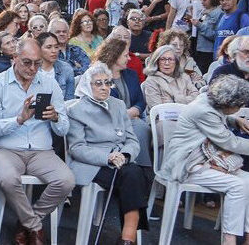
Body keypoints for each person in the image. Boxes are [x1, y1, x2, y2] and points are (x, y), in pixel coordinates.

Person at [0, 38, 74, 245]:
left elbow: (64, 129)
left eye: (37, 63)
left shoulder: (49, 83)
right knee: (7, 178)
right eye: (27, 62)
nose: (33, 68)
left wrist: (56, 118)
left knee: (67, 180)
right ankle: (35, 227)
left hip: (41, 150)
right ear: (14, 58)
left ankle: (27, 222)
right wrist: (19, 119)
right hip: (5, 149)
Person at [159, 75, 249, 245]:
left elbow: (219, 116)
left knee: (248, 180)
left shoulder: (209, 99)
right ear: (227, 103)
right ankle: (229, 239)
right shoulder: (203, 110)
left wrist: (235, 120)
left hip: (204, 159)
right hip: (187, 164)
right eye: (239, 105)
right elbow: (230, 142)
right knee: (237, 186)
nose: (241, 107)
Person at [67, 65, 149, 245]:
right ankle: (128, 238)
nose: (105, 87)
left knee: (133, 173)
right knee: (134, 175)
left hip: (121, 160)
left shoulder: (118, 105)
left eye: (108, 82)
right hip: (92, 164)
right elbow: (77, 148)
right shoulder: (76, 110)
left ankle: (127, 238)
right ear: (88, 85)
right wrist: (108, 157)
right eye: (98, 83)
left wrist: (125, 155)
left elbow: (132, 140)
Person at [94, 37, 152, 167]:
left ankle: (144, 171)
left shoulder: (131, 74)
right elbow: (99, 105)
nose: (129, 58)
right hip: (108, 122)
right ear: (114, 56)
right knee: (139, 131)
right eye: (125, 55)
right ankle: (132, 169)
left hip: (131, 119)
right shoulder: (98, 77)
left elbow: (140, 101)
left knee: (143, 129)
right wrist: (123, 114)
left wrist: (133, 111)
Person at [141, 44, 200, 109]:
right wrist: (186, 100)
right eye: (163, 59)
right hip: (161, 118)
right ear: (157, 62)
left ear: (176, 62)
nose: (167, 63)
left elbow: (197, 98)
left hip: (187, 116)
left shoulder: (184, 76)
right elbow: (157, 109)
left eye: (170, 59)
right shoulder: (151, 81)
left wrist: (176, 100)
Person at [36, 31, 75, 100]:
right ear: (39, 49)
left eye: (56, 47)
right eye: (49, 47)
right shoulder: (32, 70)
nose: (54, 51)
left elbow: (69, 100)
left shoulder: (66, 69)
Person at [192, 0, 223, 73]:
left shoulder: (219, 13)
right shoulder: (203, 11)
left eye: (205, 0)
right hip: (199, 48)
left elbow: (214, 35)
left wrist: (198, 25)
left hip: (208, 51)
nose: (202, 2)